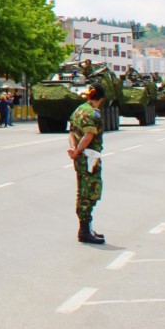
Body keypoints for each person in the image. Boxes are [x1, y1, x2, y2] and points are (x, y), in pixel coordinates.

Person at [68, 84, 107, 244]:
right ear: (101, 99)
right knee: (90, 191)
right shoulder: (93, 113)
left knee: (82, 190)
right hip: (89, 157)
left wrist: (73, 148)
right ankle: (84, 231)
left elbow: (71, 131)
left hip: (80, 157)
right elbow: (89, 136)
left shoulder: (78, 110)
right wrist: (78, 151)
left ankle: (87, 228)